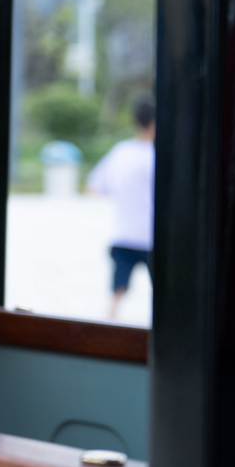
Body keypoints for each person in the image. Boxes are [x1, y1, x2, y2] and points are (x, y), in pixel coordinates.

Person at [87, 95, 155, 321]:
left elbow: (94, 186)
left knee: (118, 291)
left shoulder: (121, 152)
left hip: (122, 234)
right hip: (153, 238)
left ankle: (109, 326)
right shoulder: (158, 156)